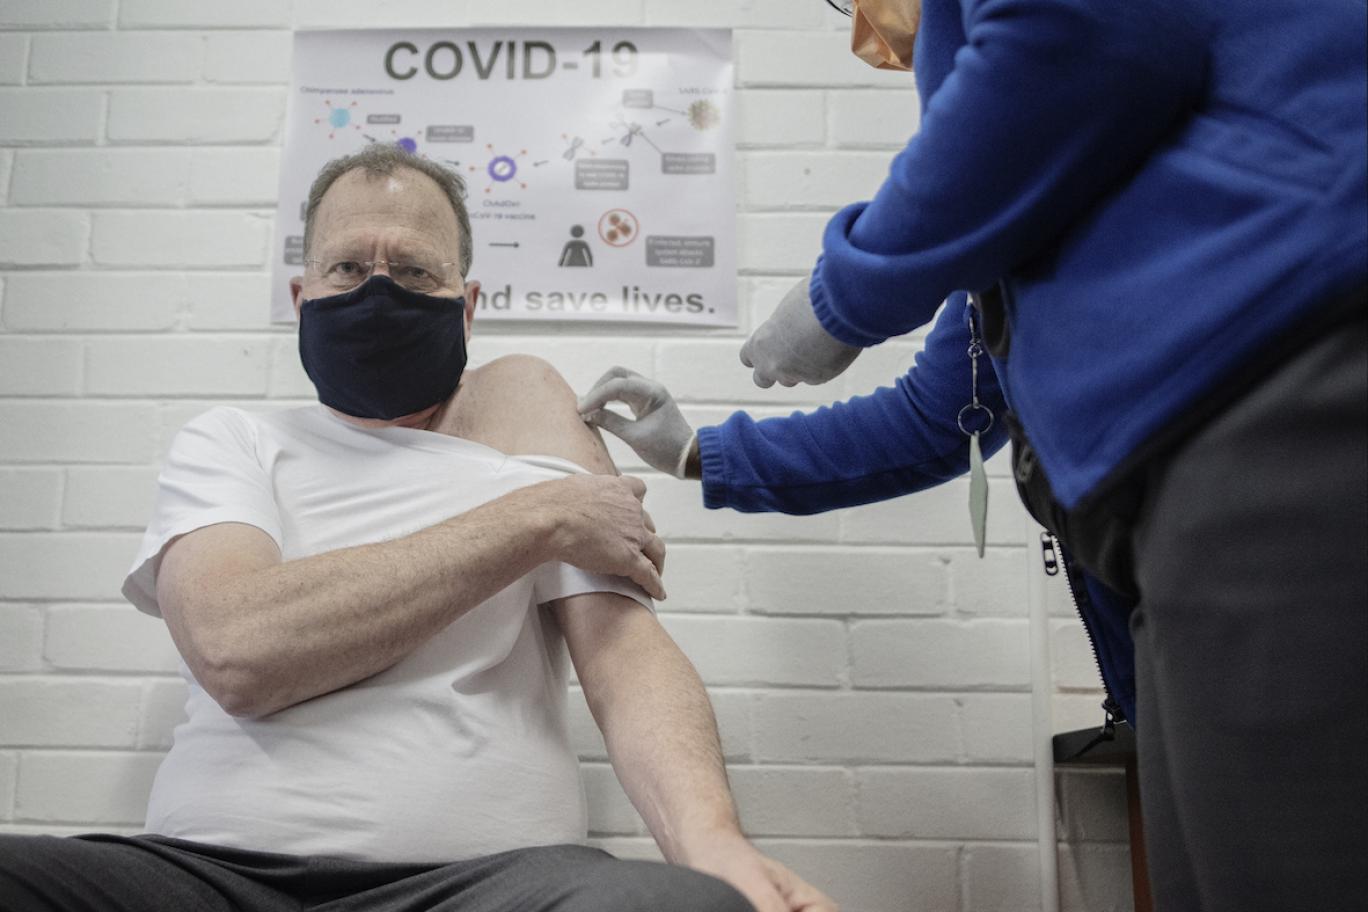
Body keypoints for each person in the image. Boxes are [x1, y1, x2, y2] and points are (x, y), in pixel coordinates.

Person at [579, 0, 1368, 908]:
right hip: (1188, 506)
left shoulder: (1097, 110)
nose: (864, 30)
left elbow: (1072, 37)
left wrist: (851, 290)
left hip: (1288, 404)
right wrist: (698, 454)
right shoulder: (1081, 190)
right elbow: (942, 410)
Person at [0, 144, 837, 912]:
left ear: (466, 308)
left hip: (485, 884)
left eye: (412, 270)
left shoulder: (526, 437)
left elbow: (627, 662)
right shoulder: (236, 442)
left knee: (678, 906)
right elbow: (237, 652)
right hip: (210, 875)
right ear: (301, 297)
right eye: (347, 267)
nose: (378, 290)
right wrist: (540, 516)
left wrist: (713, 845)